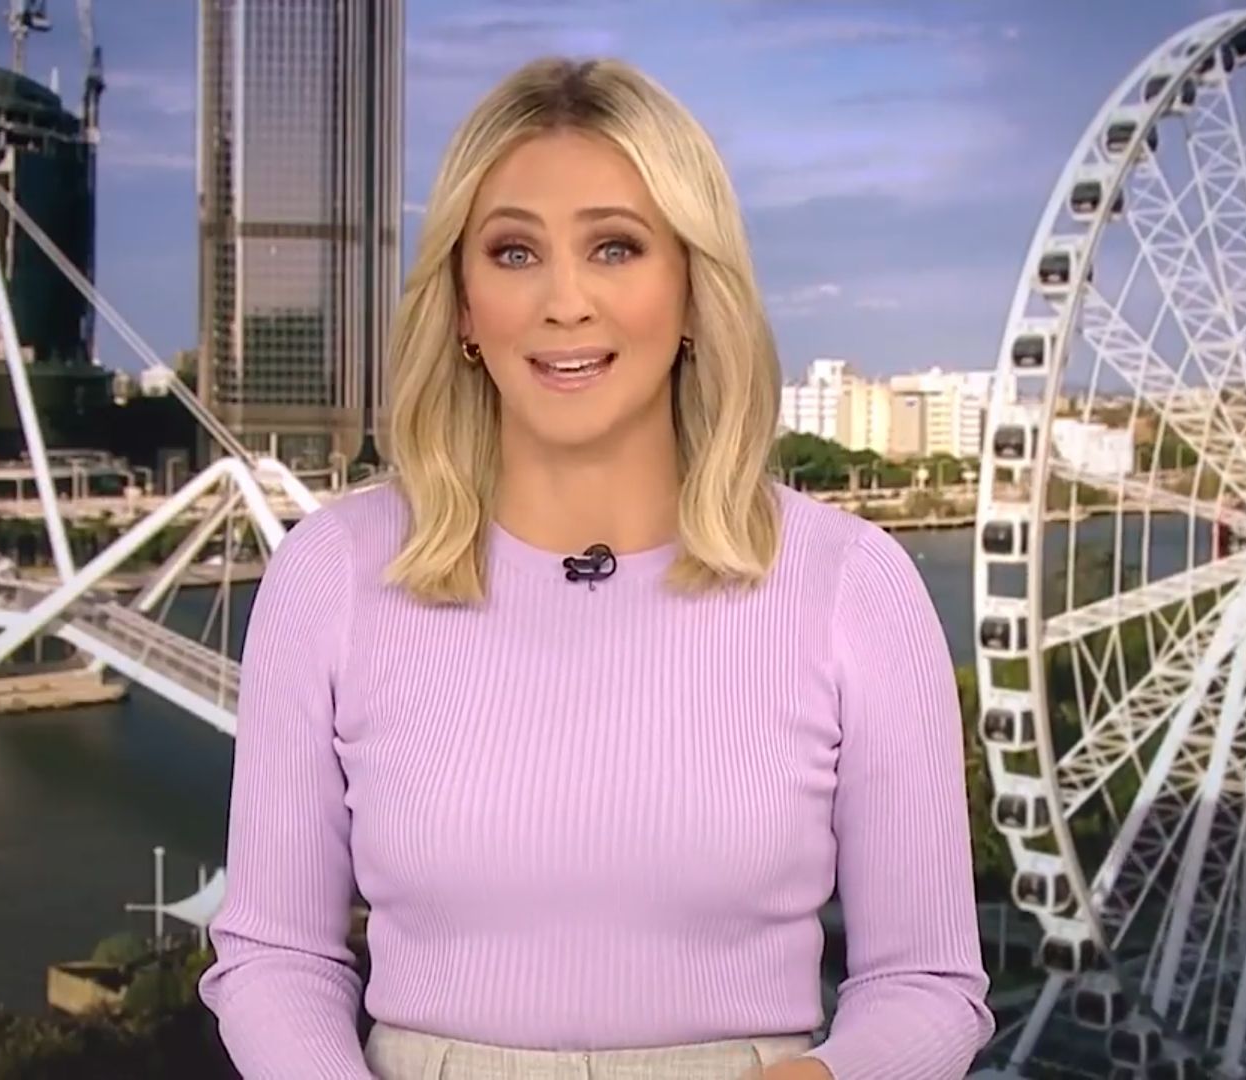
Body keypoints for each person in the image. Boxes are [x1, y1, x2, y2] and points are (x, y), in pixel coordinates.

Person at [199, 56, 993, 1079]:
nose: (563, 301)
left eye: (615, 247)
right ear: (463, 307)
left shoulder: (853, 585)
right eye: (514, 252)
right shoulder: (334, 574)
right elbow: (275, 957)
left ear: (695, 290)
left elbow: (928, 986)